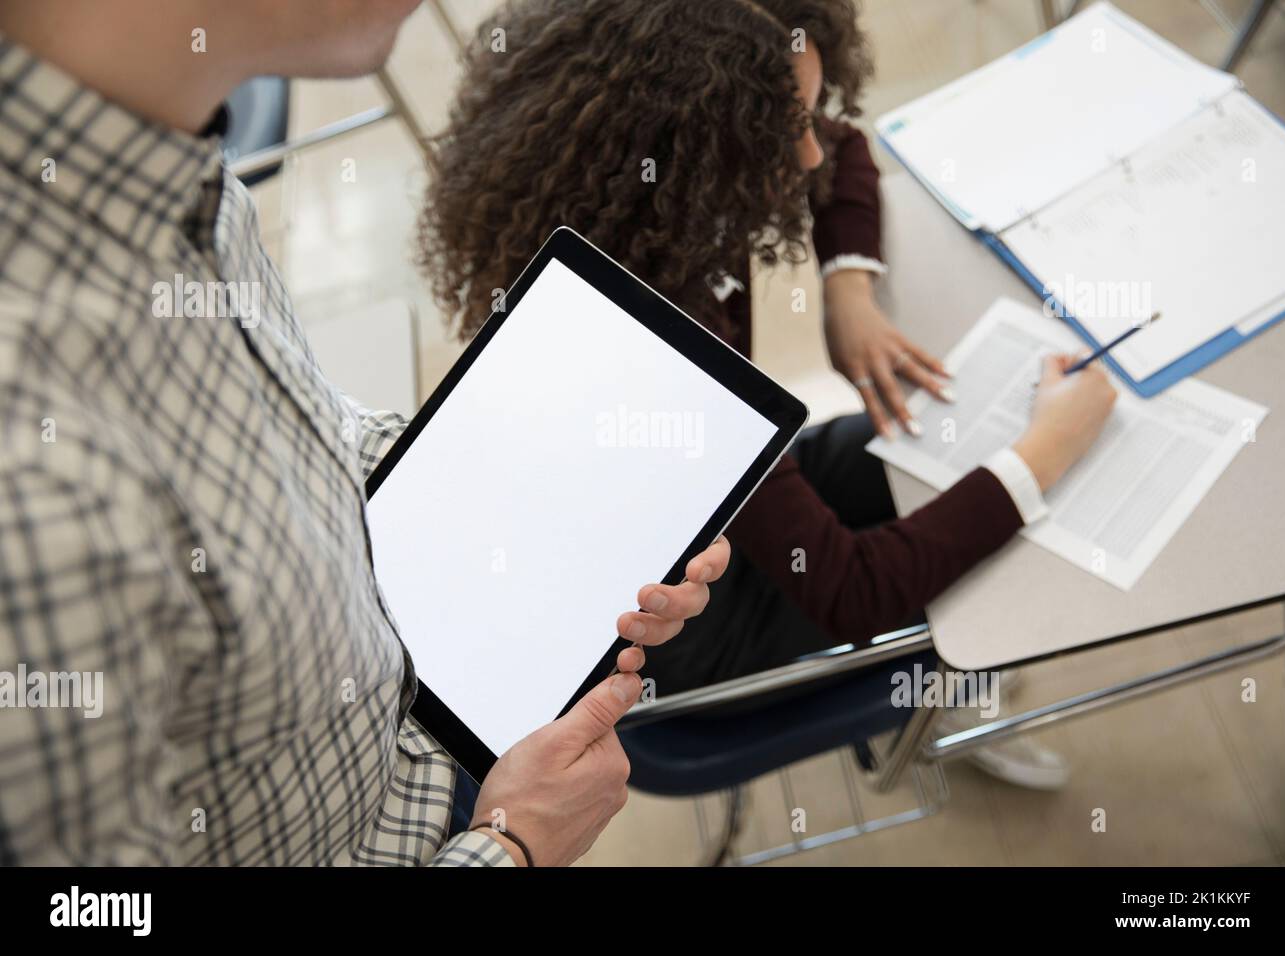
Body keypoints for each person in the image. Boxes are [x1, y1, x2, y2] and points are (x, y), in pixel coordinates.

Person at [0, 0, 732, 867]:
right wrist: (511, 848)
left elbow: (302, 439)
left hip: (416, 733)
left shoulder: (167, 164)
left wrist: (517, 472)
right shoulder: (33, 488)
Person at [418, 0, 1118, 788]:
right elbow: (850, 591)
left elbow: (847, 150)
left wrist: (848, 286)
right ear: (700, 151)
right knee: (1001, 559)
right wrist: (1043, 456)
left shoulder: (636, 211)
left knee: (935, 446)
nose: (815, 154)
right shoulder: (662, 350)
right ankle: (947, 698)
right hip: (692, 648)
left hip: (729, 503)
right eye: (792, 130)